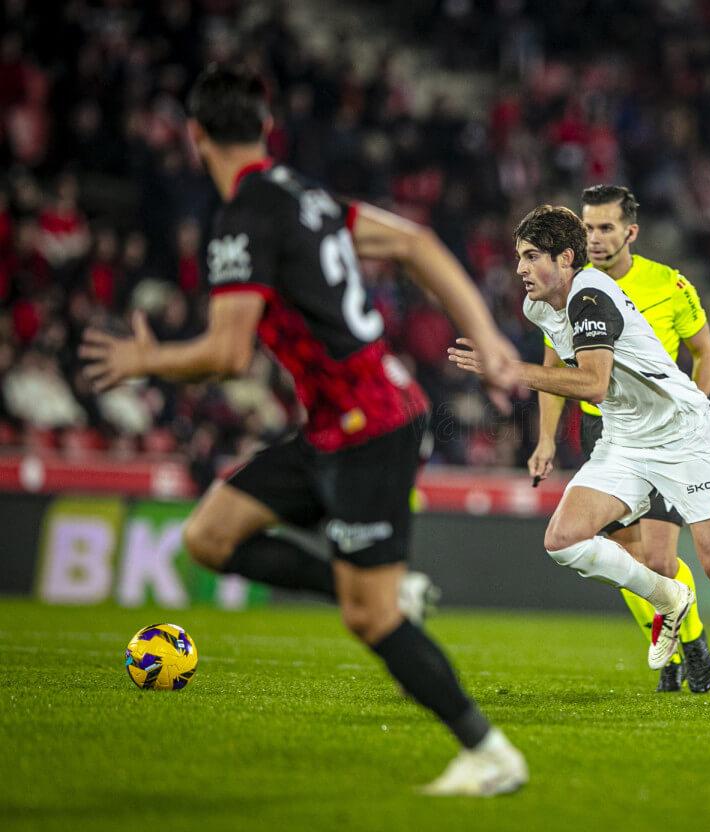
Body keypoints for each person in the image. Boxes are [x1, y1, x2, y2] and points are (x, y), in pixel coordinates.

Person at [79, 64, 527, 796]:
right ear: (264, 129)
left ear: (196, 138)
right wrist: (490, 336)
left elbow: (227, 354)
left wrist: (145, 359)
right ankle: (395, 592)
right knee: (207, 538)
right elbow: (416, 243)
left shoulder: (243, 216)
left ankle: (489, 753)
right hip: (337, 425)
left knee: (369, 618)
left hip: (370, 427)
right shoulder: (306, 197)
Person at [451, 205, 710, 719]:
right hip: (626, 437)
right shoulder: (539, 308)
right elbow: (571, 375)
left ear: (565, 258)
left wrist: (509, 371)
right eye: (518, 256)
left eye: (531, 256)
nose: (519, 268)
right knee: (562, 540)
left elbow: (590, 382)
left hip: (683, 436)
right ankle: (668, 597)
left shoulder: (591, 294)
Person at [527, 185, 710, 694]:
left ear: (630, 231)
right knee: (629, 562)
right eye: (587, 227)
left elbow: (704, 352)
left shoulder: (669, 285)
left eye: (605, 227)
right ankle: (673, 651)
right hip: (604, 431)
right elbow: (553, 370)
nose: (594, 237)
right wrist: (545, 439)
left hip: (664, 433)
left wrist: (692, 418)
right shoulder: (562, 291)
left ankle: (691, 639)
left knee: (658, 559)